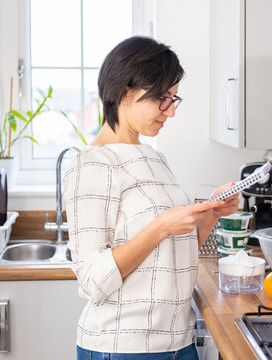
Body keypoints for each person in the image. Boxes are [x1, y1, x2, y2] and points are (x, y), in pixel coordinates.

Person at [63, 36, 239, 360]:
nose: (170, 112)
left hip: (177, 342)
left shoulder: (155, 158)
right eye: (163, 98)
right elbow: (93, 281)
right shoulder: (91, 164)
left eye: (174, 99)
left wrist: (211, 214)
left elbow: (173, 252)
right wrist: (160, 227)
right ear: (125, 92)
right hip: (121, 348)